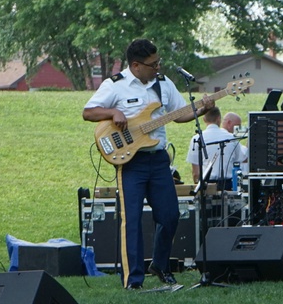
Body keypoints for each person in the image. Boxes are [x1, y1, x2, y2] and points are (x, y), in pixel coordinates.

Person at [83, 39, 213, 289]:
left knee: (170, 215)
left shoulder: (163, 84)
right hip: (131, 162)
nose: (157, 67)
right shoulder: (116, 85)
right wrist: (112, 113)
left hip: (159, 160)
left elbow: (179, 114)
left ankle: (160, 264)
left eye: (158, 62)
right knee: (130, 220)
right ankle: (134, 280)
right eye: (153, 64)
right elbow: (88, 112)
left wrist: (202, 109)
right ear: (136, 65)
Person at [186, 106, 247, 187]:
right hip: (228, 184)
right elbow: (241, 159)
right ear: (219, 119)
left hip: (206, 185)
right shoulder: (232, 138)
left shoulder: (197, 139)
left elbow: (195, 173)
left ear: (204, 119)